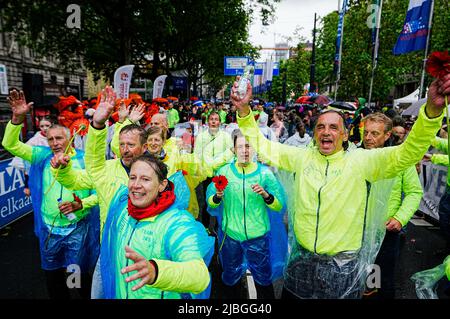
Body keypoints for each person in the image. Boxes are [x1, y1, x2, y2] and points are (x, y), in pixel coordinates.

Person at [230, 74, 449, 299]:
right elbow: (262, 145)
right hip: (302, 261)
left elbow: (408, 153)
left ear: (345, 134)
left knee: (382, 282)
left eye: (334, 128)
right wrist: (245, 112)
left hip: (342, 267)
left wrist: (431, 112)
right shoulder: (301, 157)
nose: (326, 132)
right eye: (321, 127)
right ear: (314, 134)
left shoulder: (362, 161)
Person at [82, 87, 214, 298]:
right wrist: (97, 125)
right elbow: (95, 166)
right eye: (133, 178)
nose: (136, 185)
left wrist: (157, 271)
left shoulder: (175, 221)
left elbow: (199, 275)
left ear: (162, 184)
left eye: (145, 179)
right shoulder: (122, 209)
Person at [50, 87, 150, 298]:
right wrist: (97, 125)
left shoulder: (156, 174)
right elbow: (78, 177)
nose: (125, 149)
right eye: (121, 144)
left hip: (143, 253)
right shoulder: (105, 169)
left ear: (144, 147)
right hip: (108, 249)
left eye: (131, 144)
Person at [2, 89, 99, 299]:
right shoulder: (41, 156)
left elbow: (98, 194)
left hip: (76, 230)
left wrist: (80, 204)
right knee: (54, 279)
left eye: (59, 138)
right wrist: (17, 119)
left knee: (77, 280)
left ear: (70, 138)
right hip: (49, 229)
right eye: (51, 139)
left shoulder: (84, 159)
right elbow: (9, 144)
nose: (55, 143)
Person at [206, 129, 287, 299]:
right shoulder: (224, 172)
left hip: (258, 237)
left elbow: (279, 205)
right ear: (234, 150)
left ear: (254, 149)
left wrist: (267, 196)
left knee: (263, 281)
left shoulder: (265, 174)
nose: (245, 150)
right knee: (231, 280)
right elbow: (210, 203)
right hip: (231, 237)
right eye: (240, 146)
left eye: (248, 146)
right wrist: (217, 196)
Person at [361, 113, 423, 299]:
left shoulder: (400, 159)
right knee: (361, 280)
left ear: (387, 135)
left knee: (383, 280)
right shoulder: (355, 155)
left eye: (374, 133)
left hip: (386, 232)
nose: (368, 138)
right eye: (366, 133)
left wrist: (400, 218)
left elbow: (414, 192)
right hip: (356, 231)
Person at [194, 111, 234, 230]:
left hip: (221, 174)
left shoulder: (226, 136)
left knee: (220, 199)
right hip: (206, 174)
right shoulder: (201, 136)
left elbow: (230, 153)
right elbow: (197, 155)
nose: (213, 122)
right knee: (206, 200)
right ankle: (205, 227)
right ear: (208, 121)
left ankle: (219, 227)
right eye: (211, 119)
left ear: (219, 122)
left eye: (216, 119)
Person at [10, 117, 52, 197]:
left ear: (52, 125)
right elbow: (24, 163)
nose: (45, 128)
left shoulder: (55, 136)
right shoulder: (34, 141)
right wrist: (27, 185)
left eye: (47, 125)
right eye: (42, 126)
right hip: (41, 177)